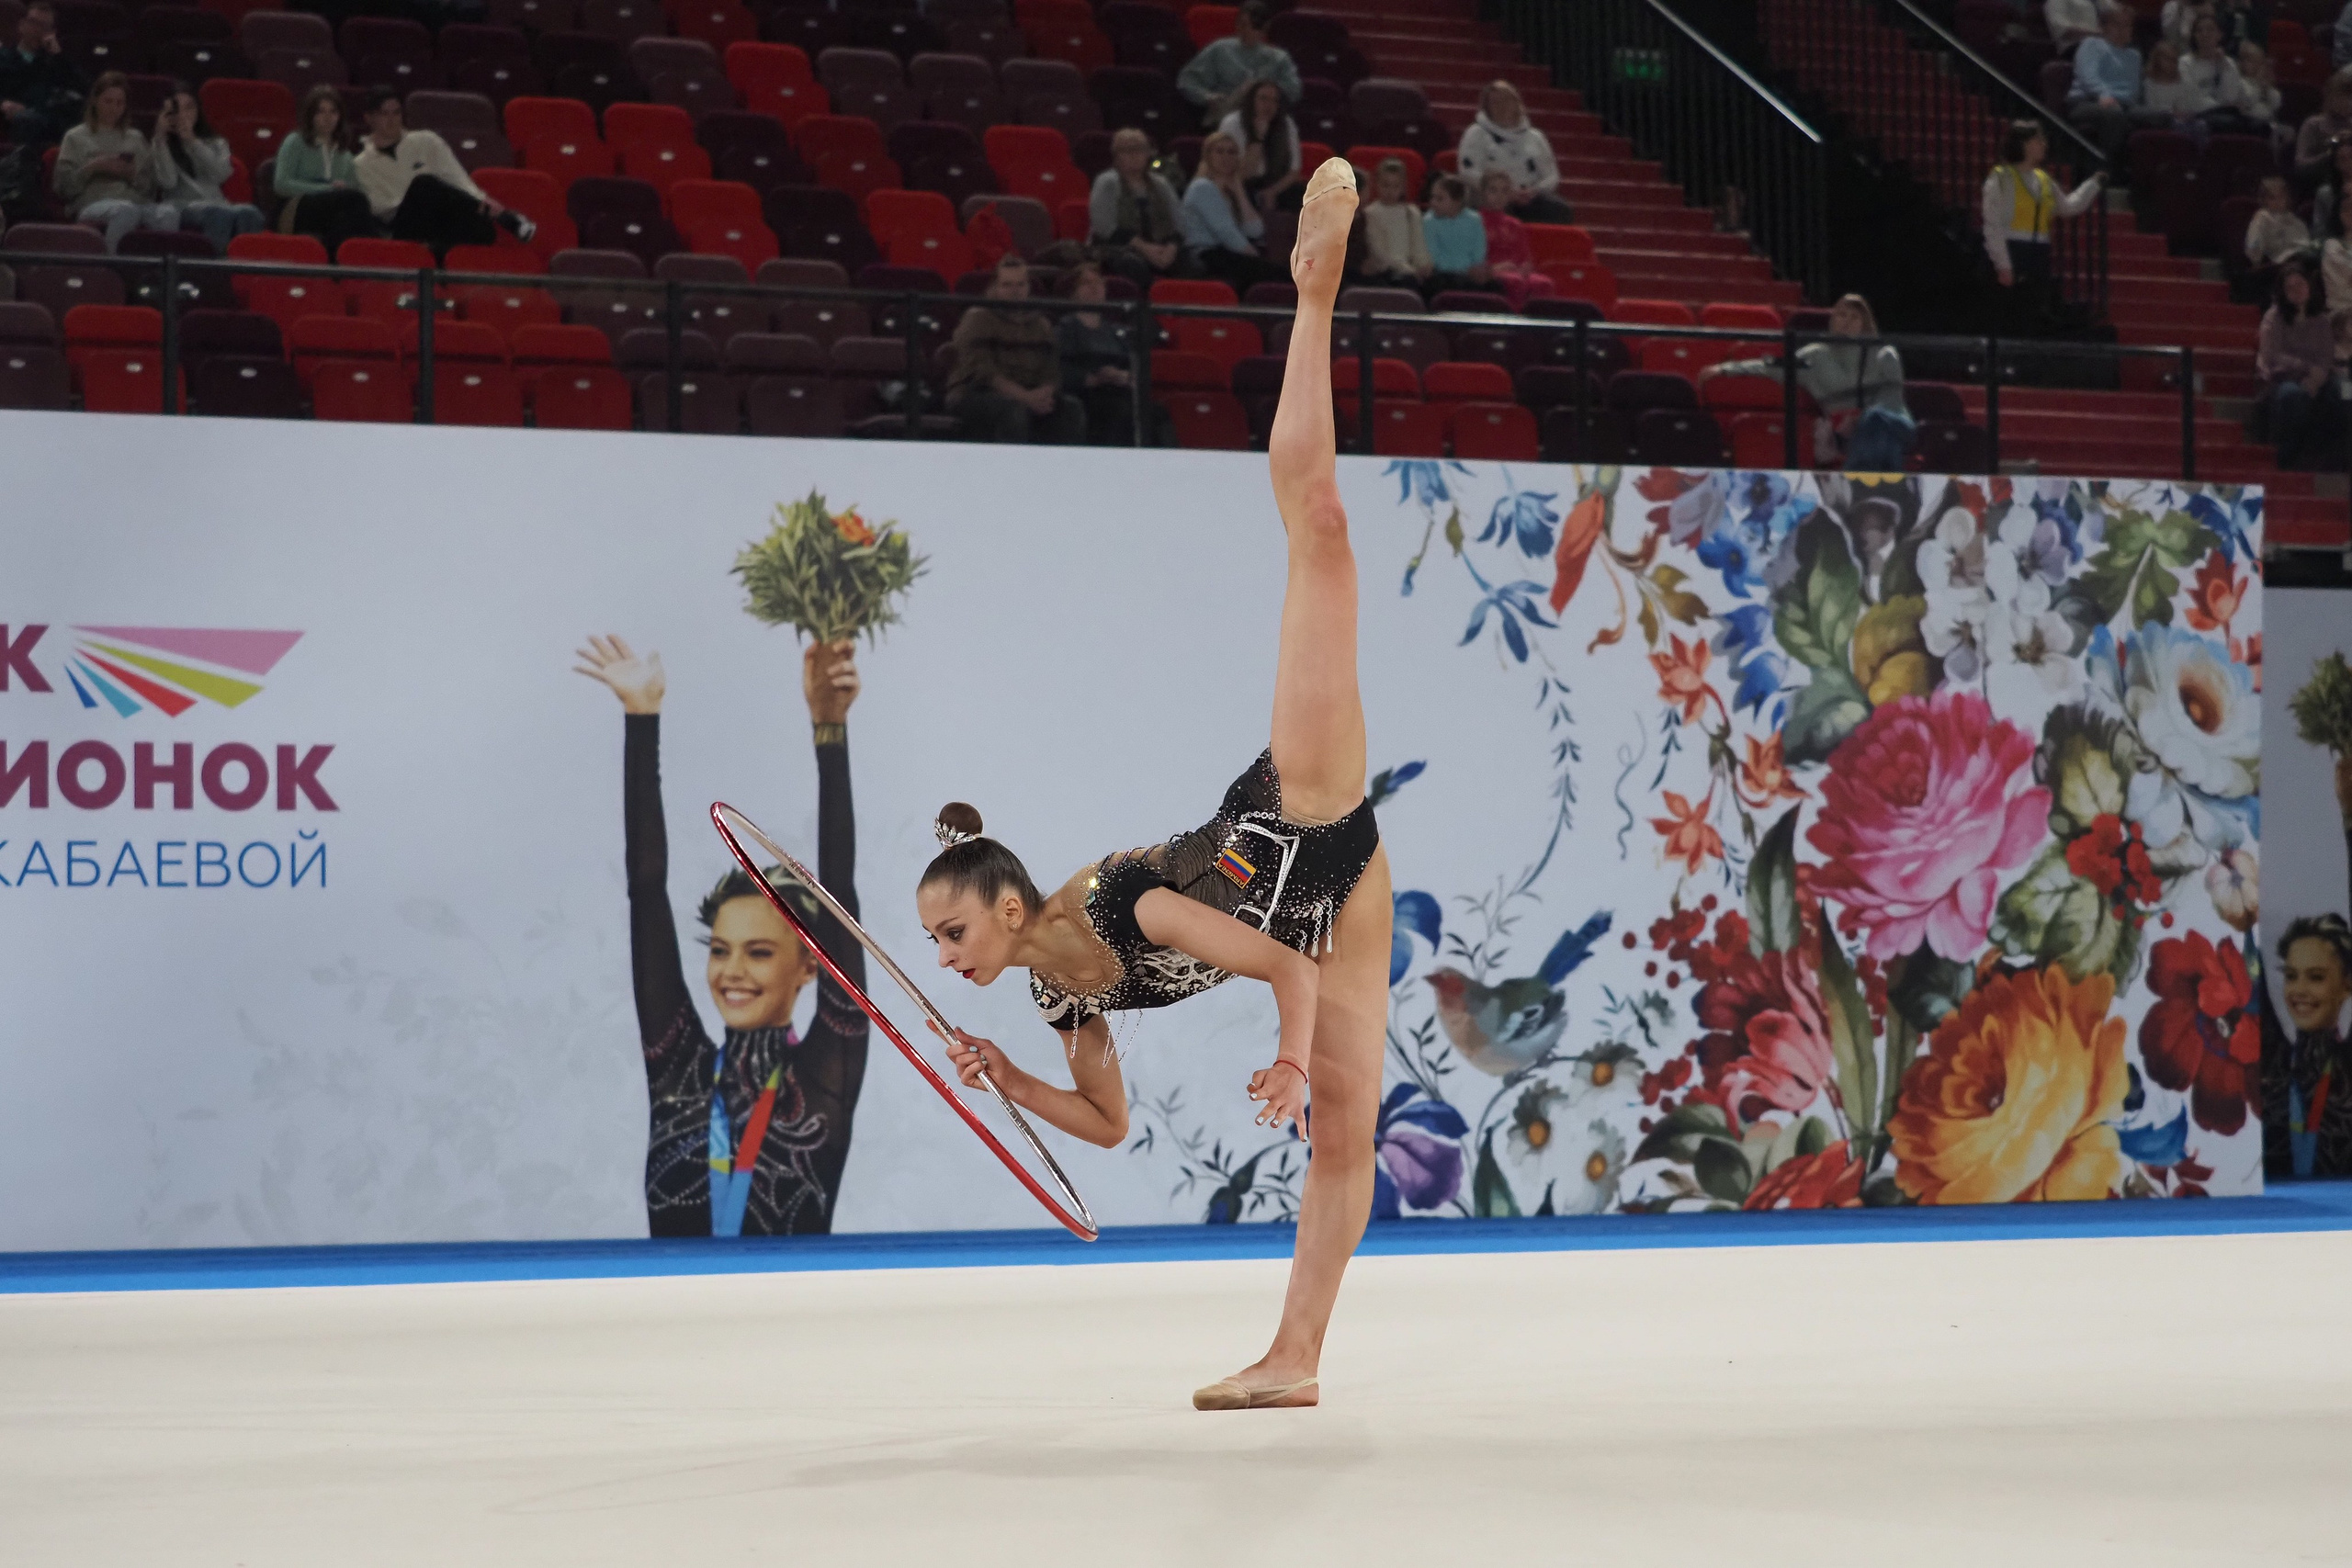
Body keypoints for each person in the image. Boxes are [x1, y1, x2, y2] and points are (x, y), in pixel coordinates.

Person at [917, 158, 1389, 1412]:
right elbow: (1108, 1126)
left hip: (1304, 812)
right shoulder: (1064, 997)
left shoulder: (1118, 905)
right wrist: (1006, 1079)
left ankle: (1312, 298)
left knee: (1323, 530)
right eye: (935, 941)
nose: (946, 951)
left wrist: (1286, 1061)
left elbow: (1283, 969)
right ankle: (1295, 1359)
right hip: (1337, 897)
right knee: (1349, 1139)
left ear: (1009, 905)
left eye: (952, 928)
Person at [574, 634, 871, 1237]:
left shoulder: (824, 1073)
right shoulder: (676, 1063)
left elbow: (839, 893)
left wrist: (829, 731)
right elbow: (646, 888)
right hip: (672, 1330)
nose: (732, 971)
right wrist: (641, 717)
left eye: (760, 952)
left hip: (793, 1329)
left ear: (808, 966)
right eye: (720, 949)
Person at [2259, 760, 2352, 1178]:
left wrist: (2350, 820)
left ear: (2346, 985)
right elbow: (2240, 948)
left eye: (2317, 978)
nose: (2300, 990)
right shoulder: (2272, 1059)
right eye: (2292, 975)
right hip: (2271, 1223)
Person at [1702, 293, 1914, 468]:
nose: (1847, 321)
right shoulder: (1816, 355)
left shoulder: (1884, 353)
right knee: (1883, 447)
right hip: (1843, 435)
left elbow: (1893, 403)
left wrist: (1862, 419)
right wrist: (1727, 368)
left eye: (1854, 317)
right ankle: (1889, 490)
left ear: (1865, 324)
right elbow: (1775, 367)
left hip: (1892, 424)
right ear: (1832, 320)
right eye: (1841, 315)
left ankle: (1857, 485)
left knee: (1877, 425)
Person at [354, 86, 533, 256]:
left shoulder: (427, 140)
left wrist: (479, 199)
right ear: (369, 118)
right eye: (384, 114)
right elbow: (381, 209)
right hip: (402, 223)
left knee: (484, 230)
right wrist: (416, 199)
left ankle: (438, 248)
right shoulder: (360, 165)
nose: (392, 120)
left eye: (397, 112)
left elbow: (456, 178)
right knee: (423, 184)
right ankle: (507, 219)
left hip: (440, 213)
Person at [947, 253, 1085, 445]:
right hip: (975, 393)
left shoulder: (1041, 324)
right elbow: (982, 372)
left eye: (1021, 284)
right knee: (1013, 410)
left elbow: (1052, 369)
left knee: (1071, 408)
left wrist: (1044, 392)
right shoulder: (978, 318)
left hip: (1029, 392)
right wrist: (1025, 397)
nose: (1015, 291)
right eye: (1008, 285)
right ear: (995, 287)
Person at [1982, 120, 2103, 334]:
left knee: (2032, 317)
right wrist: (2003, 264)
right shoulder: (2002, 177)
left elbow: (2068, 206)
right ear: (2024, 144)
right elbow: (1993, 225)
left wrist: (2092, 185)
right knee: (2008, 318)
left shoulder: (2044, 179)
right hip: (2013, 249)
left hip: (2039, 253)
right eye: (2038, 140)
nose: (2044, 145)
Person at [52, 73, 178, 252]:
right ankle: (110, 267)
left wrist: (131, 175)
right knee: (125, 211)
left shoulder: (135, 138)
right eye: (108, 101)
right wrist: (94, 168)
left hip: (134, 201)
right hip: (92, 202)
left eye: (120, 103)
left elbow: (149, 189)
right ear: (95, 101)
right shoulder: (75, 137)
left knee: (168, 213)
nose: (114, 108)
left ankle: (163, 272)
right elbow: (63, 188)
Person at [1055, 258, 1172, 446]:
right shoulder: (1066, 328)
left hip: (1118, 389)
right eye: (1086, 283)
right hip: (1087, 393)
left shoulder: (1116, 330)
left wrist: (1126, 377)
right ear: (1073, 291)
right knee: (1120, 411)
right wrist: (1093, 378)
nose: (1095, 288)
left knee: (1157, 410)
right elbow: (1059, 367)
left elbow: (1132, 364)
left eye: (1099, 282)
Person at [146, 86, 264, 253]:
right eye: (177, 109)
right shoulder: (160, 145)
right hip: (182, 205)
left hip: (217, 202)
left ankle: (246, 271)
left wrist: (193, 142)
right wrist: (160, 139)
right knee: (218, 214)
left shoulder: (216, 143)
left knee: (250, 212)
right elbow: (168, 183)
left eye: (190, 107)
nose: (184, 114)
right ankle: (213, 271)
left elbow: (221, 174)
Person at [2256, 259, 2341, 468]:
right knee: (2292, 395)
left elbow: (2326, 356)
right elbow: (2272, 355)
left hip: (2318, 379)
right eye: (2290, 287)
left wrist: (2316, 378)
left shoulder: (2321, 320)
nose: (2297, 290)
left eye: (2300, 285)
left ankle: (2334, 461)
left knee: (2345, 391)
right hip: (2283, 380)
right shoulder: (2274, 317)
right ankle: (2288, 460)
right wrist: (2305, 368)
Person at [1455, 81, 1573, 226]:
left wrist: (1533, 191)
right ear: (1487, 108)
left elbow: (1551, 176)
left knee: (1559, 210)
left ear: (1517, 103)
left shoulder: (1535, 137)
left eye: (1507, 100)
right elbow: (1468, 172)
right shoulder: (1476, 133)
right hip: (1492, 198)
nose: (1502, 106)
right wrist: (1504, 192)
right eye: (1495, 102)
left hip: (1528, 197)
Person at [274, 85, 373, 252]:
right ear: (311, 115)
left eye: (333, 112)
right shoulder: (295, 142)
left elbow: (355, 190)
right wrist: (327, 189)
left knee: (355, 206)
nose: (328, 118)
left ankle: (345, 260)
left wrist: (342, 190)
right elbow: (282, 184)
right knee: (350, 203)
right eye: (321, 112)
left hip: (333, 210)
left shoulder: (345, 154)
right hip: (297, 207)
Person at [1090, 127, 1189, 288]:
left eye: (1140, 149)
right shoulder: (1107, 182)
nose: (1134, 155)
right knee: (1133, 265)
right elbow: (1104, 226)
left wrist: (1171, 248)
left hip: (1160, 247)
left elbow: (1180, 222)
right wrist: (1145, 248)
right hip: (1119, 249)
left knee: (1192, 264)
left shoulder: (1161, 184)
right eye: (1127, 150)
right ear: (1116, 156)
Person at [1180, 130, 1279, 289]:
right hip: (1206, 254)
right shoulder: (1202, 187)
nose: (1226, 157)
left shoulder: (1232, 192)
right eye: (1219, 151)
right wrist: (1255, 257)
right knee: (1274, 272)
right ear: (1208, 156)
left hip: (1228, 252)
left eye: (1231, 152)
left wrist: (1239, 191)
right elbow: (1226, 232)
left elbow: (1255, 231)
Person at [1176, 0, 1300, 127]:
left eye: (1250, 26)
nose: (1243, 30)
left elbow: (1293, 91)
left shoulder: (1279, 58)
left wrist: (1266, 93)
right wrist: (1207, 97)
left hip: (1264, 120)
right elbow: (1187, 80)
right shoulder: (1220, 49)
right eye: (1240, 24)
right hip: (1223, 118)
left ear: (1264, 28)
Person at [0, 0, 84, 150]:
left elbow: (83, 88)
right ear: (22, 25)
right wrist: (3, 103)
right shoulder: (3, 57)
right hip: (8, 119)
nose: (38, 30)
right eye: (34, 23)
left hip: (45, 119)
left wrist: (58, 56)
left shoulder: (56, 62)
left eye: (45, 26)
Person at [2069, 6, 2148, 162]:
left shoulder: (2134, 55)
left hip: (2124, 105)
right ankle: (2107, 168)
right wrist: (2103, 95)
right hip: (2088, 101)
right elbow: (2088, 76)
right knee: (2114, 113)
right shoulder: (2091, 44)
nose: (2122, 30)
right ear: (2104, 27)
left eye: (2127, 25)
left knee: (2161, 116)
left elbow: (2133, 89)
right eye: (2116, 25)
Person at [1216, 78, 1302, 215]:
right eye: (1263, 99)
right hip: (1240, 184)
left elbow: (1294, 171)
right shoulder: (1232, 124)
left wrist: (1272, 192)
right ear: (1251, 101)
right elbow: (1241, 174)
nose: (1269, 105)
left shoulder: (1286, 124)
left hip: (1274, 183)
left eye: (1274, 101)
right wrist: (1258, 138)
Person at [1474, 167, 1555, 310]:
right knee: (1514, 281)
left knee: (1544, 284)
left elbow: (1525, 258)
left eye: (1504, 191)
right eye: (1493, 190)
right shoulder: (1474, 222)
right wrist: (1495, 269)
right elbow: (1473, 259)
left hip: (1515, 272)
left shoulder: (1515, 224)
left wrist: (1524, 268)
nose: (1499, 196)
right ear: (1483, 193)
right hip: (1490, 273)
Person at [1355, 156, 1432, 291]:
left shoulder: (1411, 212)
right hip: (1387, 271)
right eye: (1385, 185)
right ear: (1377, 184)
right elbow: (1379, 251)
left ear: (1403, 187)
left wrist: (1423, 265)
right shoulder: (1370, 213)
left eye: (1396, 186)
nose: (1390, 191)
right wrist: (1408, 270)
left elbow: (1419, 245)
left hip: (1411, 272)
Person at [2245, 174, 2314, 300]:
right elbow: (2253, 246)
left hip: (2298, 261)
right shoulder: (2262, 218)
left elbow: (2306, 246)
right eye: (2272, 198)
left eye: (2281, 197)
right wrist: (2256, 259)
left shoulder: (2296, 221)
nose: (2278, 202)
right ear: (2264, 199)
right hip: (2273, 265)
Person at [1423, 174, 1490, 294]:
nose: (1433, 202)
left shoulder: (1475, 219)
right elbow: (1434, 256)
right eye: (1432, 197)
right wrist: (1465, 269)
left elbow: (1479, 252)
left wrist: (1475, 269)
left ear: (1457, 201)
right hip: (1443, 275)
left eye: (1440, 199)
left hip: (1471, 275)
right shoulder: (1429, 221)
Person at [2293, 68, 2352, 188]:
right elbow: (2300, 166)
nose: (2346, 102)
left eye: (2350, 98)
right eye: (2341, 97)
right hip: (2323, 183)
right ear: (2329, 97)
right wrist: (2330, 153)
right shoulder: (2313, 125)